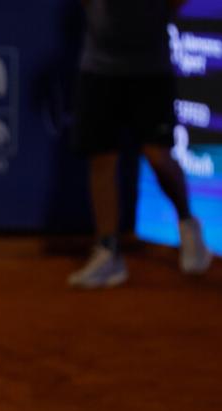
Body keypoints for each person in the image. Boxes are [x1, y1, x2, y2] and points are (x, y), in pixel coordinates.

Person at [68, 0, 212, 289]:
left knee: (157, 156)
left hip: (150, 71)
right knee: (102, 159)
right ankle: (108, 251)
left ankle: (187, 223)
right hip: (99, 69)